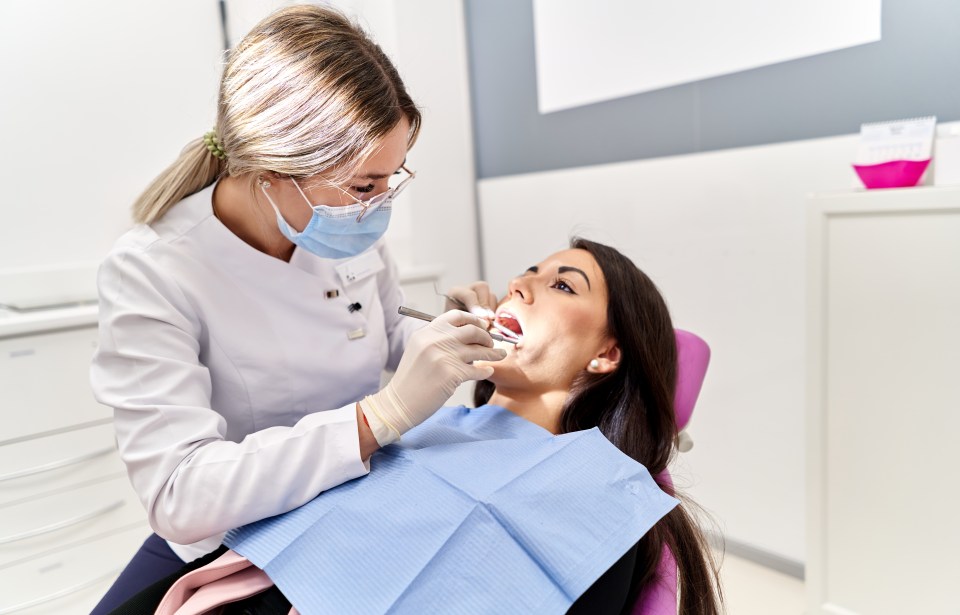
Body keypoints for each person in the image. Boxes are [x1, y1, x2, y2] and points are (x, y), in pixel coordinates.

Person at [88, 6, 505, 614]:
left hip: (356, 495)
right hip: (236, 529)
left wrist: (443, 329)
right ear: (270, 169)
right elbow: (180, 494)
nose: (380, 204)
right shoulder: (153, 271)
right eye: (366, 186)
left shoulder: (341, 224)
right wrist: (378, 418)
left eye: (389, 181)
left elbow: (379, 332)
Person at [108, 238, 724, 615]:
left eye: (561, 284)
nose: (520, 286)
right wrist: (390, 410)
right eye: (527, 274)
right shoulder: (422, 425)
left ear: (606, 355)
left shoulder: (601, 502)